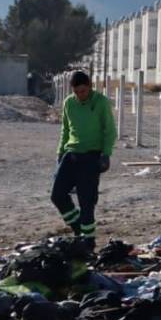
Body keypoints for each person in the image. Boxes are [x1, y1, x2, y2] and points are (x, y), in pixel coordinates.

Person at [51, 70, 116, 238]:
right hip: (71, 154)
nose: (81, 95)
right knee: (57, 195)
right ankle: (78, 228)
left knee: (86, 202)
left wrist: (106, 154)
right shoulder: (69, 103)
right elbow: (65, 130)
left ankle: (88, 241)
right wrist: (60, 153)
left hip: (91, 157)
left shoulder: (101, 102)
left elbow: (109, 130)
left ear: (90, 87)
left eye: (84, 91)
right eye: (77, 92)